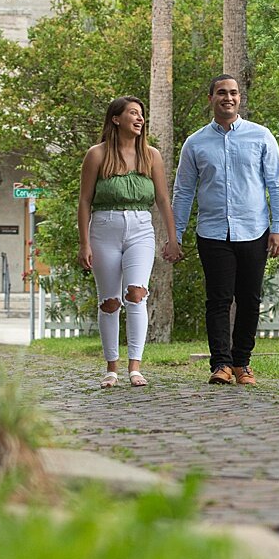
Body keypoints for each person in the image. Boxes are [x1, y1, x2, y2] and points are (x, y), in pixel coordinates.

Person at [171, 75, 279, 386]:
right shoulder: (195, 143)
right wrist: (175, 235)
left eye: (234, 93)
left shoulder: (261, 137)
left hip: (254, 230)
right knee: (218, 300)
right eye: (222, 92)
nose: (228, 98)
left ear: (240, 99)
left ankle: (242, 363)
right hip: (213, 232)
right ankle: (221, 364)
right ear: (211, 98)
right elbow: (183, 191)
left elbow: (276, 185)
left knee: (249, 299)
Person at [77, 96, 181, 388]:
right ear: (115, 119)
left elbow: (162, 199)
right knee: (110, 301)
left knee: (136, 294)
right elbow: (84, 201)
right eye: (133, 113)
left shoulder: (151, 156)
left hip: (140, 229)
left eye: (141, 114)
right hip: (104, 228)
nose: (139, 119)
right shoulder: (96, 155)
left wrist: (172, 239)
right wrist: (84, 243)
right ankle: (111, 368)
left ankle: (135, 367)